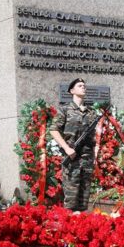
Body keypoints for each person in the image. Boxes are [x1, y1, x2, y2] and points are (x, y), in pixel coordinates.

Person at [49, 78, 97, 211]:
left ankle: (82, 225)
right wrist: (66, 148)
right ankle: (69, 225)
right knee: (71, 197)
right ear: (72, 91)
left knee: (84, 196)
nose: (83, 87)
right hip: (72, 157)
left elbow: (93, 136)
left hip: (87, 157)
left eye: (84, 86)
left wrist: (95, 155)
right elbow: (53, 130)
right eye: (80, 86)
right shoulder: (65, 109)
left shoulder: (91, 112)